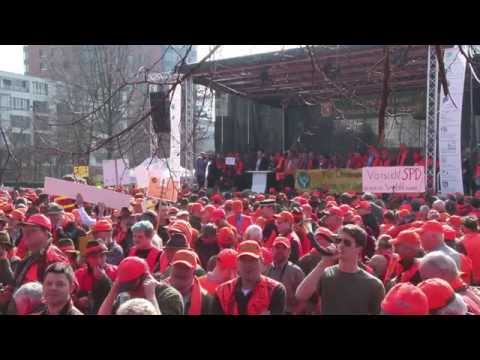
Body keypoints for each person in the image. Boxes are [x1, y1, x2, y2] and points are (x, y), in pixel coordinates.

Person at [295, 224, 385, 314]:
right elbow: (300, 295)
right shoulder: (326, 273)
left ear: (359, 248)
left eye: (347, 242)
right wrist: (325, 262)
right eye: (338, 240)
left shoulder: (373, 284)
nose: (341, 245)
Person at [212, 241, 286, 315]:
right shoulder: (222, 292)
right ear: (237, 263)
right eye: (243, 260)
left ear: (262, 262)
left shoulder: (275, 290)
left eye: (252, 260)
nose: (247, 265)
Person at [0, 214, 69, 290]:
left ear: (46, 234)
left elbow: (62, 290)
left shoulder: (53, 256)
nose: (26, 234)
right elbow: (16, 284)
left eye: (32, 230)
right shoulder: (31, 255)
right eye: (24, 231)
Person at [98, 256, 184, 315]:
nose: (130, 292)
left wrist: (151, 297)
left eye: (132, 287)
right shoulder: (124, 295)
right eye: (126, 287)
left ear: (146, 278)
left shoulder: (170, 296)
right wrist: (114, 289)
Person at [419, 220, 473, 284]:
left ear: (433, 236)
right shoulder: (461, 257)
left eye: (422, 234)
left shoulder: (434, 259)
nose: (419, 238)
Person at [74, 239, 117, 314]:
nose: (99, 260)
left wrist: (104, 279)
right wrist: (78, 302)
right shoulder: (79, 274)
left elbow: (119, 298)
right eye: (94, 257)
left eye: (102, 256)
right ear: (87, 259)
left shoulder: (116, 272)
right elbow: (69, 295)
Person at [265, 237, 306, 314]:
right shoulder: (266, 270)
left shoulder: (296, 272)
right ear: (272, 250)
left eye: (284, 248)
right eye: (277, 247)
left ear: (289, 251)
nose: (280, 251)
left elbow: (304, 300)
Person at [166, 249, 212, 315]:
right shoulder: (159, 292)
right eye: (177, 266)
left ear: (194, 272)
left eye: (186, 268)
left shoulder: (206, 300)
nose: (181, 271)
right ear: (171, 268)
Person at [457, 217, 480, 285]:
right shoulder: (460, 241)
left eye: (462, 226)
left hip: (472, 278)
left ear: (465, 227)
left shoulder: (460, 241)